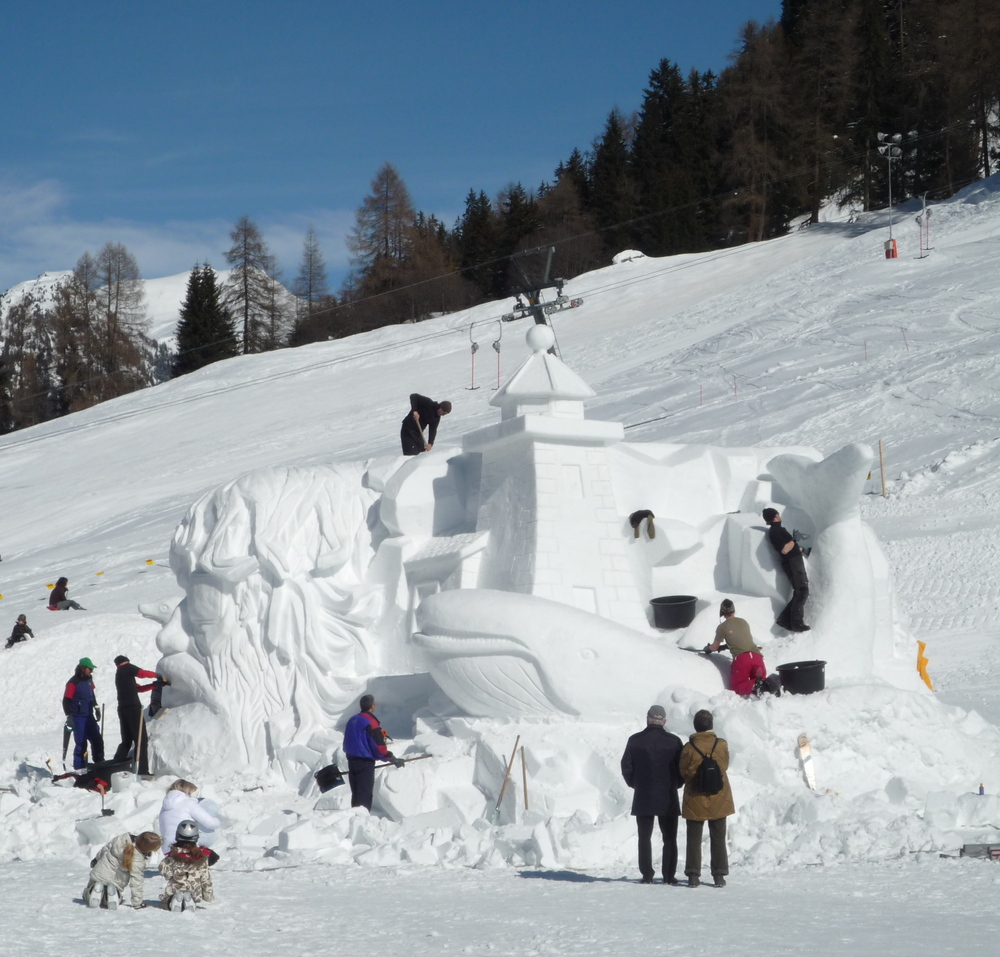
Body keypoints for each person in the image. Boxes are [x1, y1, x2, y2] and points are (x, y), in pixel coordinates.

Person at [620, 704, 684, 884]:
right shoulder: (674, 741)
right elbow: (682, 768)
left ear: (647, 719)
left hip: (643, 794)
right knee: (669, 838)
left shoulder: (635, 740)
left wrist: (635, 784)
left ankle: (647, 874)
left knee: (644, 837)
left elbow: (626, 766)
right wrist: (676, 784)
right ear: (664, 721)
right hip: (668, 795)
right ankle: (669, 875)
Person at [681, 709, 735, 888]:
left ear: (695, 726)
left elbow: (683, 771)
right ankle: (719, 875)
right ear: (711, 725)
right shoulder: (721, 744)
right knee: (718, 836)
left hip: (695, 796)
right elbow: (724, 766)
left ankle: (693, 875)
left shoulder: (689, 747)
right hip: (719, 795)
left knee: (693, 838)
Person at [703, 600, 781, 697]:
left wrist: (707, 649)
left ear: (722, 612)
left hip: (743, 660)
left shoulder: (722, 627)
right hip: (757, 657)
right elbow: (741, 639)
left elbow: (714, 647)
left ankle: (757, 685)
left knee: (737, 688)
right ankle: (769, 686)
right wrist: (728, 646)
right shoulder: (743, 622)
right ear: (733, 610)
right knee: (762, 685)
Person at [342, 694, 404, 810]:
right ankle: (361, 821)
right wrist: (390, 757)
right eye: (374, 703)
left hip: (352, 761)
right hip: (364, 763)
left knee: (356, 794)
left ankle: (353, 820)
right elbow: (379, 746)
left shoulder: (353, 720)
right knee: (364, 795)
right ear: (371, 706)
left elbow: (347, 740)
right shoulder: (371, 722)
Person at [112, 654, 164, 776]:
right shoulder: (127, 668)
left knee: (127, 741)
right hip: (132, 708)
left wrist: (155, 685)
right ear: (126, 661)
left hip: (122, 709)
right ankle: (142, 770)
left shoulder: (120, 674)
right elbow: (141, 673)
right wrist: (158, 676)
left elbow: (138, 689)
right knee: (141, 739)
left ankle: (115, 767)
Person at [84, 831, 162, 910]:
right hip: (116, 882)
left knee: (87, 893)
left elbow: (106, 848)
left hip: (99, 873)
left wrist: (96, 859)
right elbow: (137, 882)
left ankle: (92, 891)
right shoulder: (138, 860)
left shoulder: (122, 839)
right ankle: (112, 896)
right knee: (115, 897)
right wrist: (137, 903)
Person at [762, 508, 810, 632]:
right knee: (802, 590)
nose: (779, 515)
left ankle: (784, 620)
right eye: (777, 513)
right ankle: (796, 623)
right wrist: (794, 540)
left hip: (793, 560)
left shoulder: (777, 530)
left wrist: (801, 549)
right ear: (776, 516)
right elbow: (784, 549)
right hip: (792, 562)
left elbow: (790, 547)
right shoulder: (776, 531)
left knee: (799, 591)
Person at [159, 820, 219, 912]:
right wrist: (208, 897)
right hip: (195, 892)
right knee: (194, 891)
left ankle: (174, 899)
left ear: (177, 836)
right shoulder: (202, 857)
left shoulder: (172, 856)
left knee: (165, 902)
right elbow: (206, 879)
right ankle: (190, 900)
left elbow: (166, 873)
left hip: (175, 889)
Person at [62, 657, 104, 769]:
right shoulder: (73, 683)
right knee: (81, 743)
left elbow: (92, 694)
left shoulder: (89, 680)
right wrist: (69, 716)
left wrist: (96, 706)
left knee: (97, 739)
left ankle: (100, 763)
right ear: (83, 668)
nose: (91, 671)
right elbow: (66, 700)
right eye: (90, 668)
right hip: (78, 717)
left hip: (89, 716)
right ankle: (79, 768)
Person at [158, 779, 221, 848]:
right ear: (187, 791)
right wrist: (217, 820)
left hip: (167, 847)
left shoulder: (163, 808)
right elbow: (211, 823)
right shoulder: (188, 803)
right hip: (185, 846)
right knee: (211, 833)